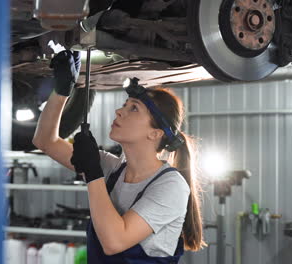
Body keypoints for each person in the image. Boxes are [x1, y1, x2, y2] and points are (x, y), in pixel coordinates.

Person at [33, 50, 206, 263]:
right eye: (124, 105)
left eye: (134, 108)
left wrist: (93, 173)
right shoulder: (113, 168)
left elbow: (114, 242)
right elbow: (45, 141)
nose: (119, 111)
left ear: (155, 133)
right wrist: (62, 90)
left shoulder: (171, 185)